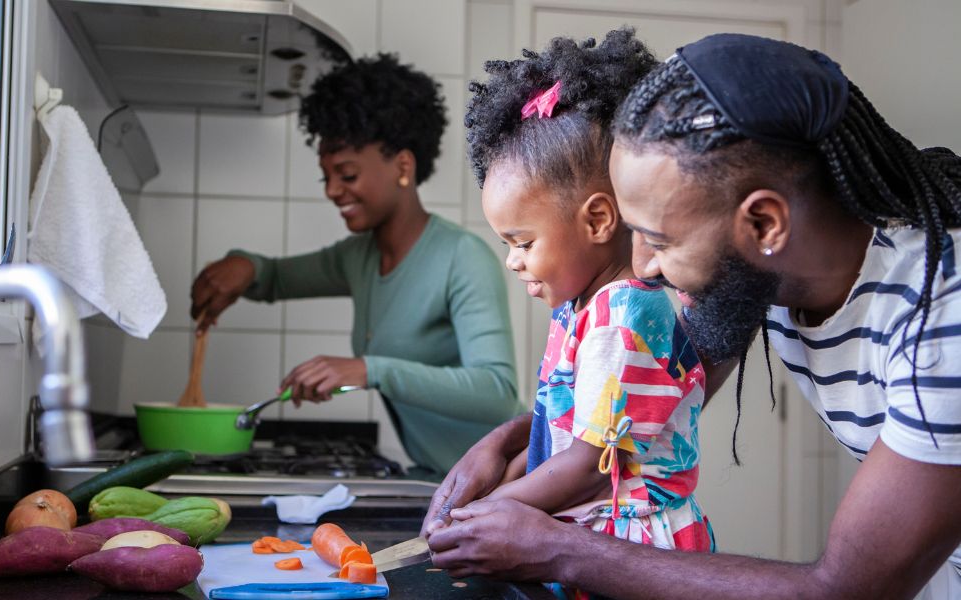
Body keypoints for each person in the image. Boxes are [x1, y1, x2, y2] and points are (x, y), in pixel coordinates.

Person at [425, 33, 961, 599]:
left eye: (659, 240)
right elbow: (640, 400)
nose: (641, 268)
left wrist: (558, 548)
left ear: (764, 225)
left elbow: (845, 590)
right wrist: (512, 441)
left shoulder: (941, 322)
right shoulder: (770, 268)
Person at [460, 30, 713, 587]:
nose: (512, 261)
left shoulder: (622, 318)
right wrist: (500, 471)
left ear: (598, 221)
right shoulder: (579, 309)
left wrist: (484, 513)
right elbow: (565, 429)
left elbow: (585, 465)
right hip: (593, 536)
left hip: (636, 547)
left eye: (523, 243)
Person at [189, 54, 519, 476]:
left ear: (403, 166)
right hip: (443, 479)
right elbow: (271, 277)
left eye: (346, 174)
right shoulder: (357, 257)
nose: (332, 190)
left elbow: (498, 392)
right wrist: (241, 266)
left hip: (510, 480)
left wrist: (369, 370)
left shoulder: (462, 256)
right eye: (325, 176)